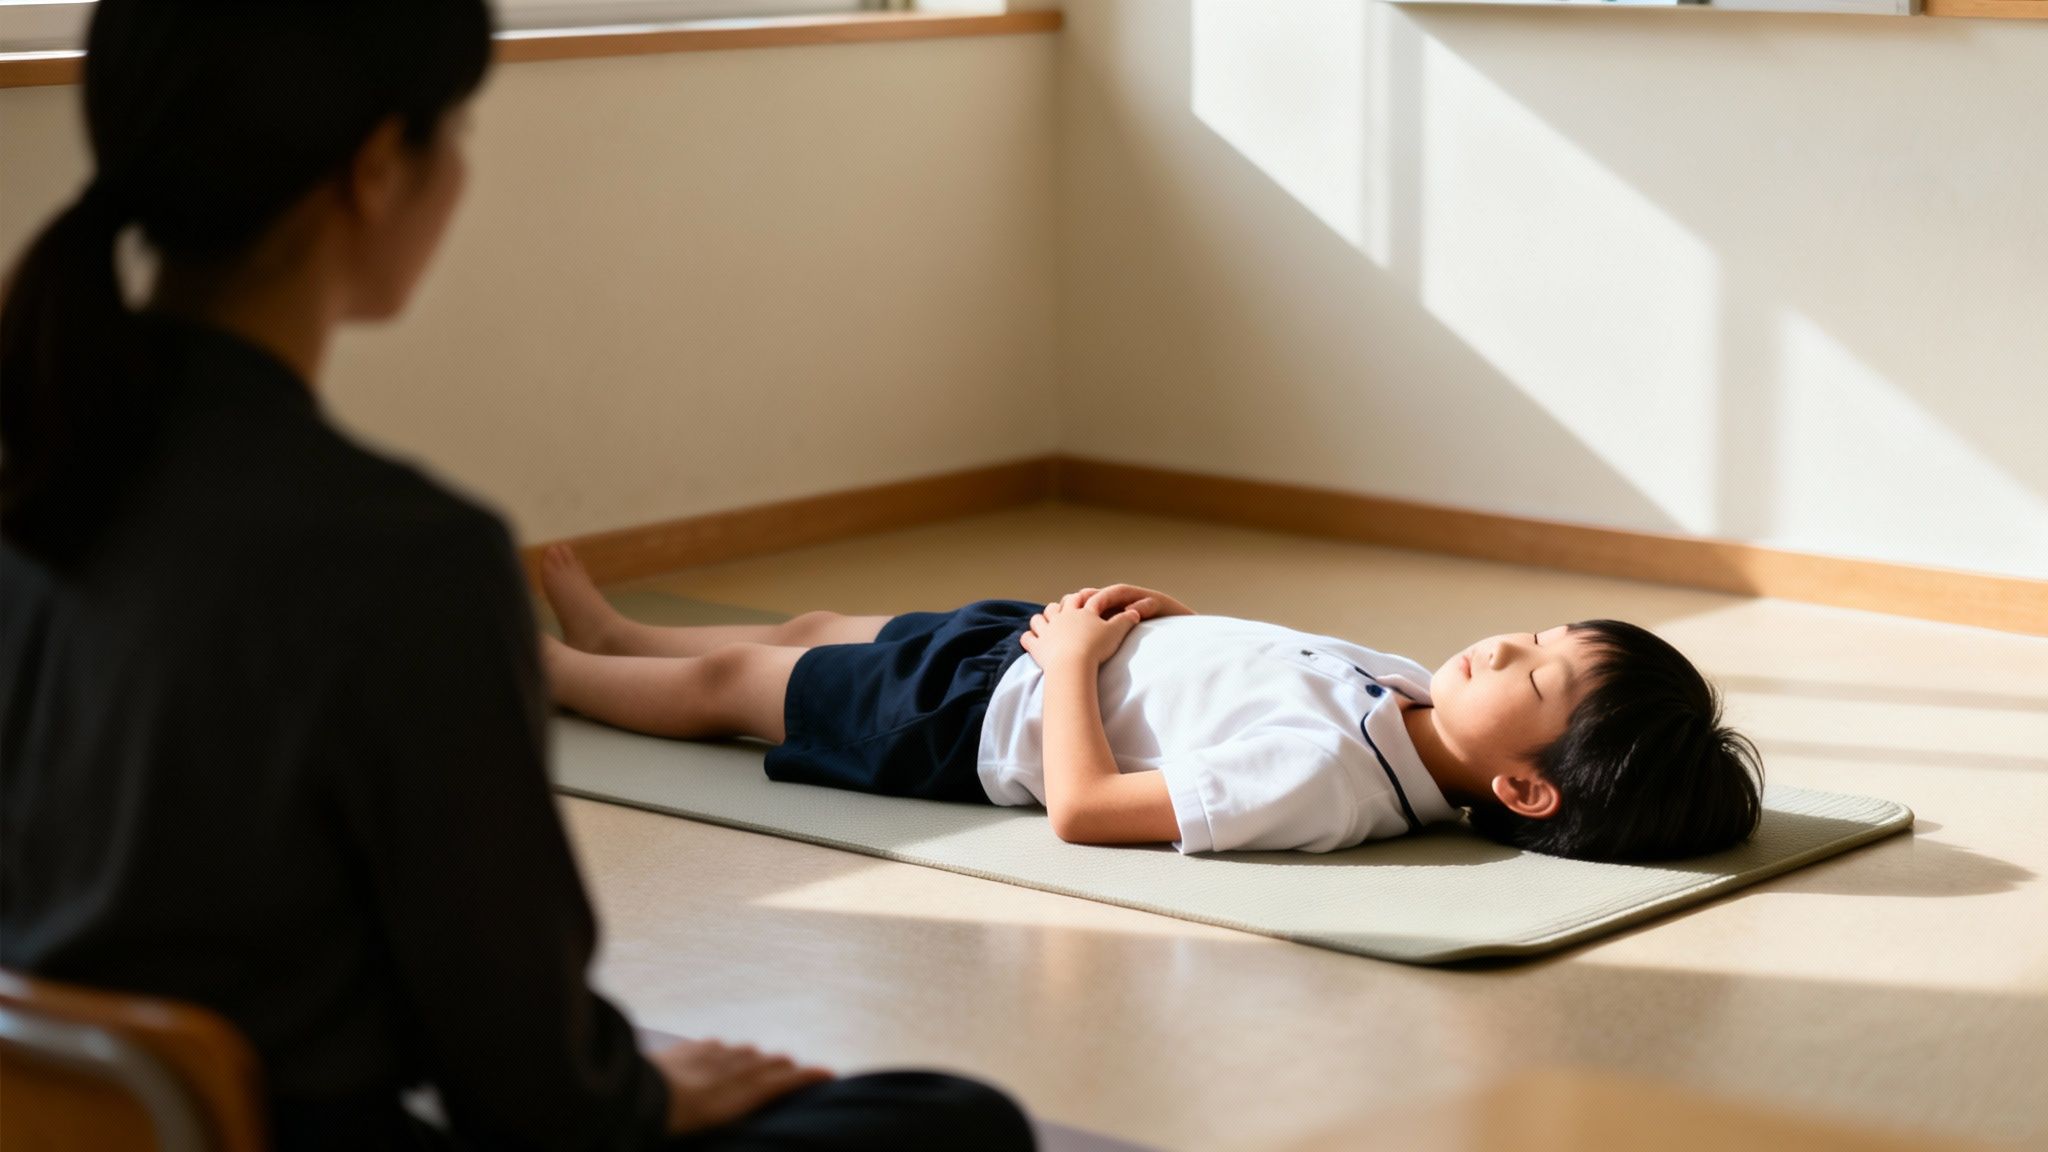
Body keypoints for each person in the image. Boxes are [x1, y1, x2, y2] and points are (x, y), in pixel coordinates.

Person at [0, 3, 1032, 1149]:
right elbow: (532, 1093)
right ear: (380, 166)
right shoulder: (400, 556)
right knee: (951, 1123)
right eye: (458, 134)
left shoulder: (36, 475)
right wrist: (638, 1094)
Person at [536, 547, 1765, 862]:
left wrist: (1071, 669)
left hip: (978, 720)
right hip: (1032, 651)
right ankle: (615, 632)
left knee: (729, 693)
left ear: (1522, 787)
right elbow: (1256, 666)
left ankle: (542, 670)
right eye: (1539, 633)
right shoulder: (1410, 696)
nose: (1504, 645)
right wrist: (1169, 621)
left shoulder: (1328, 788)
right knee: (807, 632)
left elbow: (1084, 806)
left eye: (1535, 676)